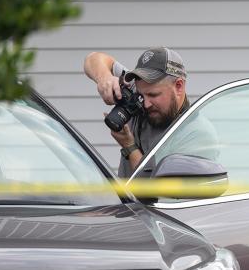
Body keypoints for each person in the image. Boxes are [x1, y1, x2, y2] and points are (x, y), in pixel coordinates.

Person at [84, 46, 218, 178]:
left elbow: (158, 191)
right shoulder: (139, 89)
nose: (145, 104)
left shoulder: (197, 134)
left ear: (178, 86)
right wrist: (105, 78)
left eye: (153, 95)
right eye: (141, 95)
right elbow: (93, 59)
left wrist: (129, 147)